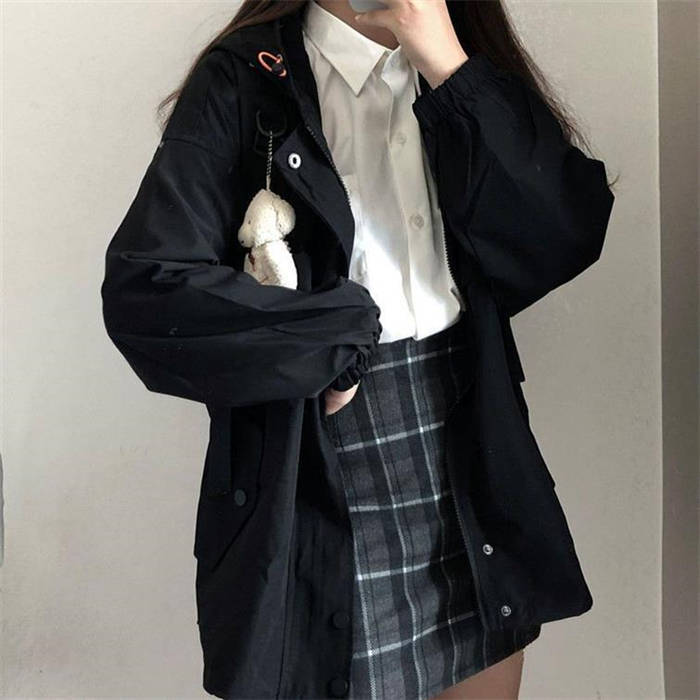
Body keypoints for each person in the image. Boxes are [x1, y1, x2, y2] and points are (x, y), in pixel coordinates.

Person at [101, 1, 616, 698]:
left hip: (474, 441)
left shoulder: (462, 59)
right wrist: (328, 340)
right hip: (321, 464)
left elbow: (565, 232)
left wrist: (447, 62)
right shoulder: (247, 77)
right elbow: (148, 288)